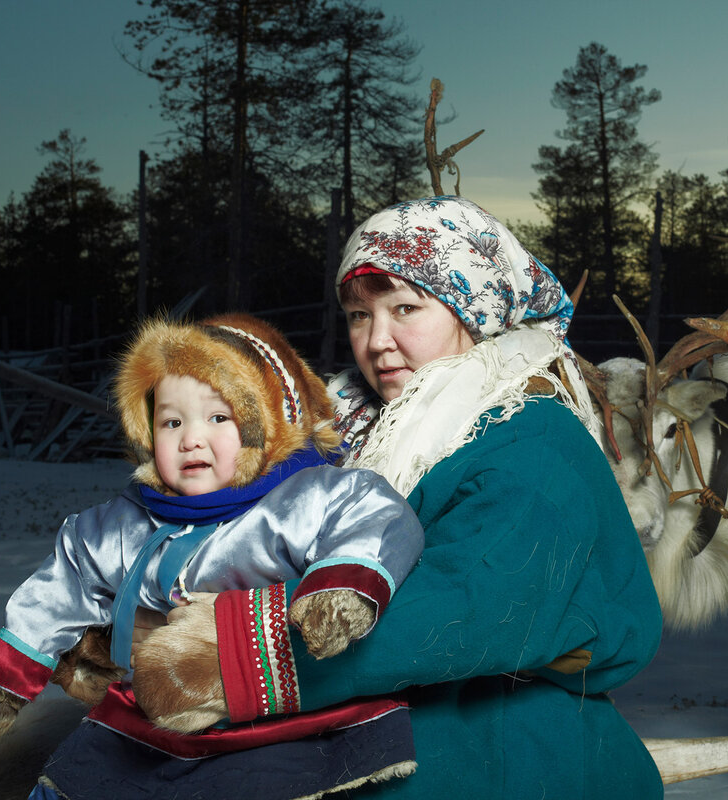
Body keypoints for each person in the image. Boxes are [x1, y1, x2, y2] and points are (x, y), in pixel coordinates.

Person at [127, 195, 666, 798]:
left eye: (405, 309)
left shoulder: (531, 437)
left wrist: (239, 652)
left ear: (476, 310)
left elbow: (472, 600)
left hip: (509, 748)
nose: (377, 341)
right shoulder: (365, 431)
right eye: (360, 316)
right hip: (388, 721)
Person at [0, 312, 425, 797]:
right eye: (170, 421)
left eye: (219, 418)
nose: (190, 438)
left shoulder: (303, 498)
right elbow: (64, 582)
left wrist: (341, 587)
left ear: (267, 425)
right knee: (78, 777)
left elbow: (376, 517)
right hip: (150, 717)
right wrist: (5, 677)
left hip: (274, 720)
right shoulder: (123, 522)